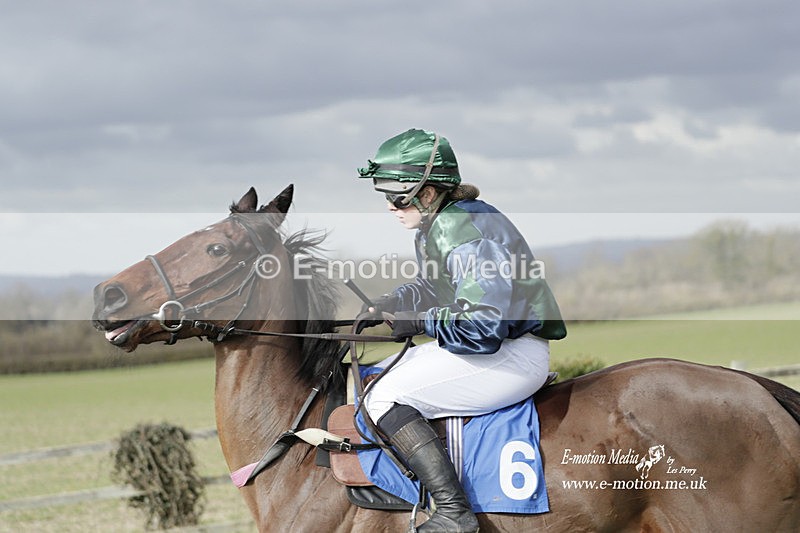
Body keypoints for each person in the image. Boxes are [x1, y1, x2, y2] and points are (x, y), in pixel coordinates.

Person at [357, 128, 566, 532]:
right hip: (498, 349)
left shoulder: (460, 229)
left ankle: (454, 512)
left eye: (397, 197)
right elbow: (437, 286)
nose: (390, 206)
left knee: (383, 398)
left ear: (429, 193)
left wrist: (419, 322)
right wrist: (393, 301)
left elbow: (483, 327)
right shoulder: (444, 222)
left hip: (509, 354)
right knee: (374, 377)